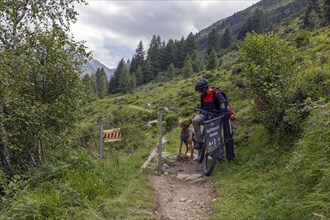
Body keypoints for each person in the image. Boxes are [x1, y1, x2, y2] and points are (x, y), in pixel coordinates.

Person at [192, 78, 235, 162]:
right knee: (195, 121)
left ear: (205, 88)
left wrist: (228, 114)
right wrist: (200, 112)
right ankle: (200, 142)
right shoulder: (202, 95)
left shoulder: (216, 93)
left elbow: (224, 104)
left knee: (217, 135)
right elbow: (202, 106)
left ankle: (221, 157)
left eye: (200, 90)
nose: (199, 93)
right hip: (205, 114)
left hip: (216, 116)